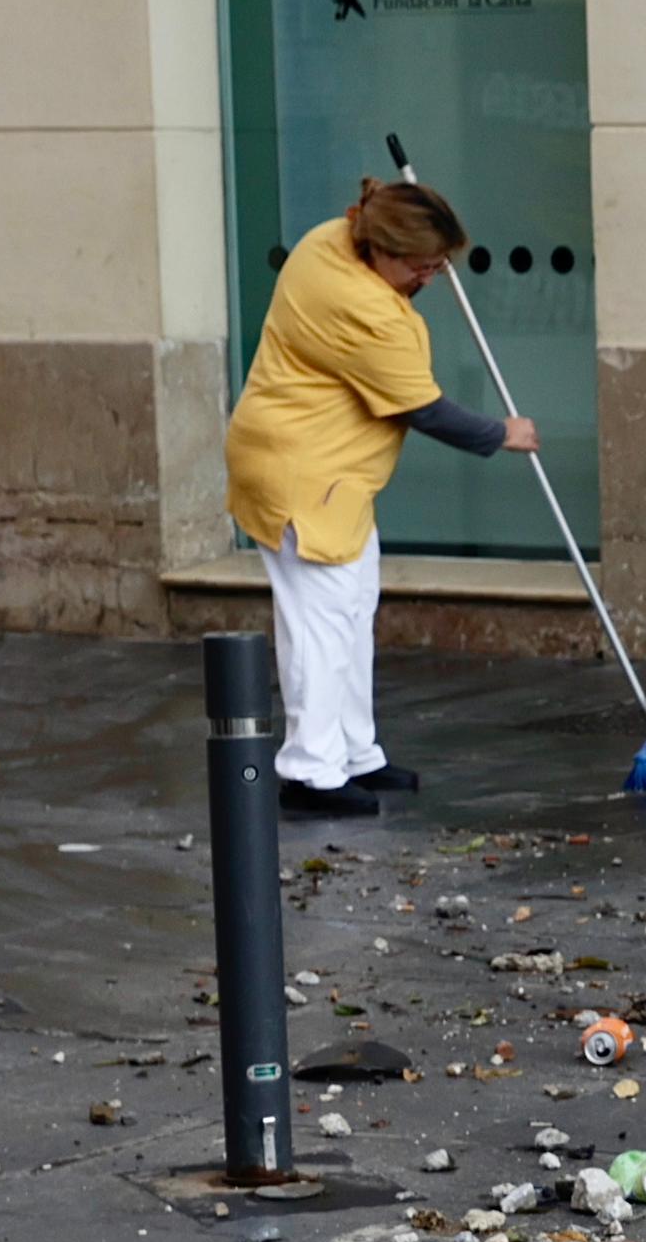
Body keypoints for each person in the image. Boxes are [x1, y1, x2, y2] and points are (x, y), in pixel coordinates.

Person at [223, 176, 537, 819]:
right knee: (318, 624)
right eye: (421, 267)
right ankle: (311, 772)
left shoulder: (331, 238)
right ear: (383, 252)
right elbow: (424, 408)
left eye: (437, 264)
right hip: (301, 476)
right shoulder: (359, 307)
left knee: (353, 607)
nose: (429, 279)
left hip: (336, 478)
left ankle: (354, 751)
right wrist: (501, 433)